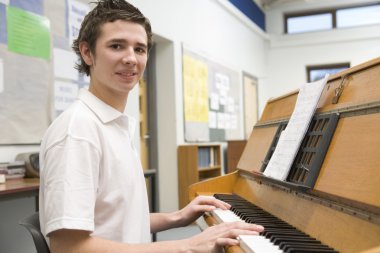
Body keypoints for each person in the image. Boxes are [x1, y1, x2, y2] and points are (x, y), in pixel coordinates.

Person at [39, 0, 264, 252]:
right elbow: (68, 247)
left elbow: (118, 223)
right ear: (87, 53)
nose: (131, 59)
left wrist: (177, 217)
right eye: (116, 46)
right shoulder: (78, 130)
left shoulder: (113, 125)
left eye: (140, 49)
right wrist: (187, 246)